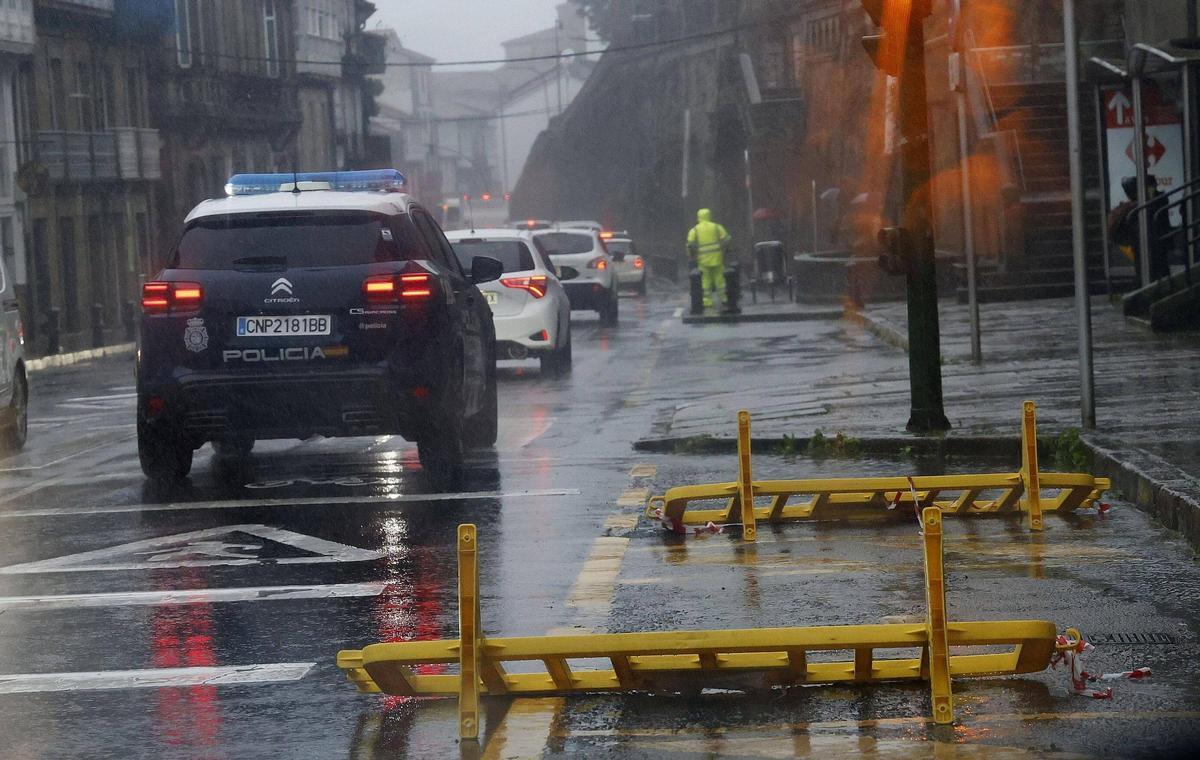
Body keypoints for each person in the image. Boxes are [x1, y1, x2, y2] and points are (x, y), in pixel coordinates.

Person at [1108, 174, 1173, 285]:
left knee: (1157, 267)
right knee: (1148, 268)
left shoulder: (1155, 202)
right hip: (1144, 242)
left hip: (1153, 241)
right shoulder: (1137, 206)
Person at [686, 208, 732, 308]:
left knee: (705, 280)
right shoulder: (716, 227)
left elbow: (690, 243)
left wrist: (692, 254)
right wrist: (724, 248)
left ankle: (707, 301)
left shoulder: (695, 229)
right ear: (709, 215)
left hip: (703, 260)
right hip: (717, 258)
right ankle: (723, 298)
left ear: (698, 217)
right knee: (719, 279)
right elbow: (727, 238)